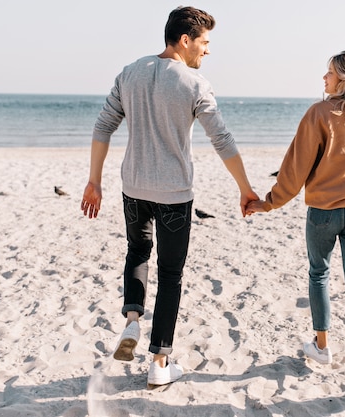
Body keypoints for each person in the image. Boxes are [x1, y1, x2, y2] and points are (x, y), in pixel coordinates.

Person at [80, 6, 258, 387]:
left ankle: (131, 321)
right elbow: (221, 139)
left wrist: (94, 181)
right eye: (204, 42)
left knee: (137, 253)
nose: (207, 51)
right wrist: (245, 188)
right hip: (175, 193)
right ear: (185, 40)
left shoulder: (129, 73)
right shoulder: (195, 84)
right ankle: (160, 363)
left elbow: (103, 127)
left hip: (133, 188)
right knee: (172, 274)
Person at [247, 49, 345, 401]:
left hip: (324, 212)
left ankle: (322, 345)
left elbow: (295, 168)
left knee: (319, 275)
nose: (323, 79)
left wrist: (269, 201)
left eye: (329, 73)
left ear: (343, 77)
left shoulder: (319, 113)